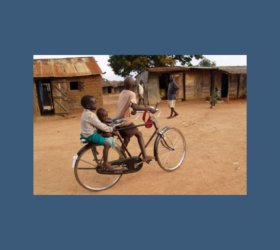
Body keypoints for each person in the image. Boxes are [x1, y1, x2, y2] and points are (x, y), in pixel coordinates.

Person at [115, 76, 156, 162]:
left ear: (124, 84)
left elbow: (125, 105)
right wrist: (149, 109)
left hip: (117, 120)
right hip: (124, 120)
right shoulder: (131, 93)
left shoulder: (122, 92)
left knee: (127, 138)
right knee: (139, 134)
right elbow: (135, 107)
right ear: (133, 85)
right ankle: (144, 156)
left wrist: (131, 110)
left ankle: (121, 155)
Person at [80, 95, 116, 171]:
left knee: (106, 135)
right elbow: (100, 125)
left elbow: (96, 122)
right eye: (94, 103)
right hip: (91, 135)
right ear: (88, 105)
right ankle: (105, 163)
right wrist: (111, 129)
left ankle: (95, 147)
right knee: (106, 144)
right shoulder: (90, 115)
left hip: (86, 133)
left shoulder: (86, 112)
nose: (96, 105)